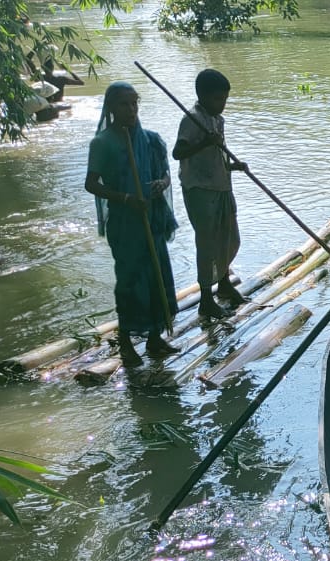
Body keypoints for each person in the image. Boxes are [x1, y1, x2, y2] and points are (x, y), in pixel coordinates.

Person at [83, 81, 180, 367]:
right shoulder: (103, 143)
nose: (131, 109)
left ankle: (155, 337)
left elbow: (166, 174)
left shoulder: (151, 140)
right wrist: (126, 198)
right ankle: (126, 341)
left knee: (157, 276)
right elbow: (91, 184)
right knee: (130, 281)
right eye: (124, 104)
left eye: (134, 103)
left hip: (152, 218)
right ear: (111, 108)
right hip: (125, 223)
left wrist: (160, 184)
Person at [173, 68, 248, 320]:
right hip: (200, 190)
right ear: (203, 96)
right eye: (218, 99)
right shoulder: (192, 119)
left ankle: (224, 284)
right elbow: (178, 153)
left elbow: (218, 155)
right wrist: (204, 142)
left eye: (225, 99)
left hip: (222, 185)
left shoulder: (217, 120)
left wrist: (234, 166)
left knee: (229, 238)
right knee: (207, 244)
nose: (222, 104)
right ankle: (206, 299)